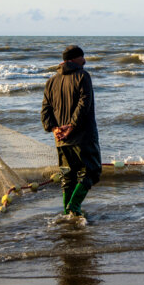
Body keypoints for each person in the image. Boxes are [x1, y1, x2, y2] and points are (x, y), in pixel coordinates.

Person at [41, 45, 101, 216]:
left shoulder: (51, 81)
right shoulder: (83, 76)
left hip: (60, 138)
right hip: (82, 135)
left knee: (68, 176)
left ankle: (69, 213)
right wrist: (72, 125)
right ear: (74, 59)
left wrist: (53, 128)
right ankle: (74, 207)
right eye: (83, 57)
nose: (85, 60)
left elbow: (45, 109)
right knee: (92, 171)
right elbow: (84, 102)